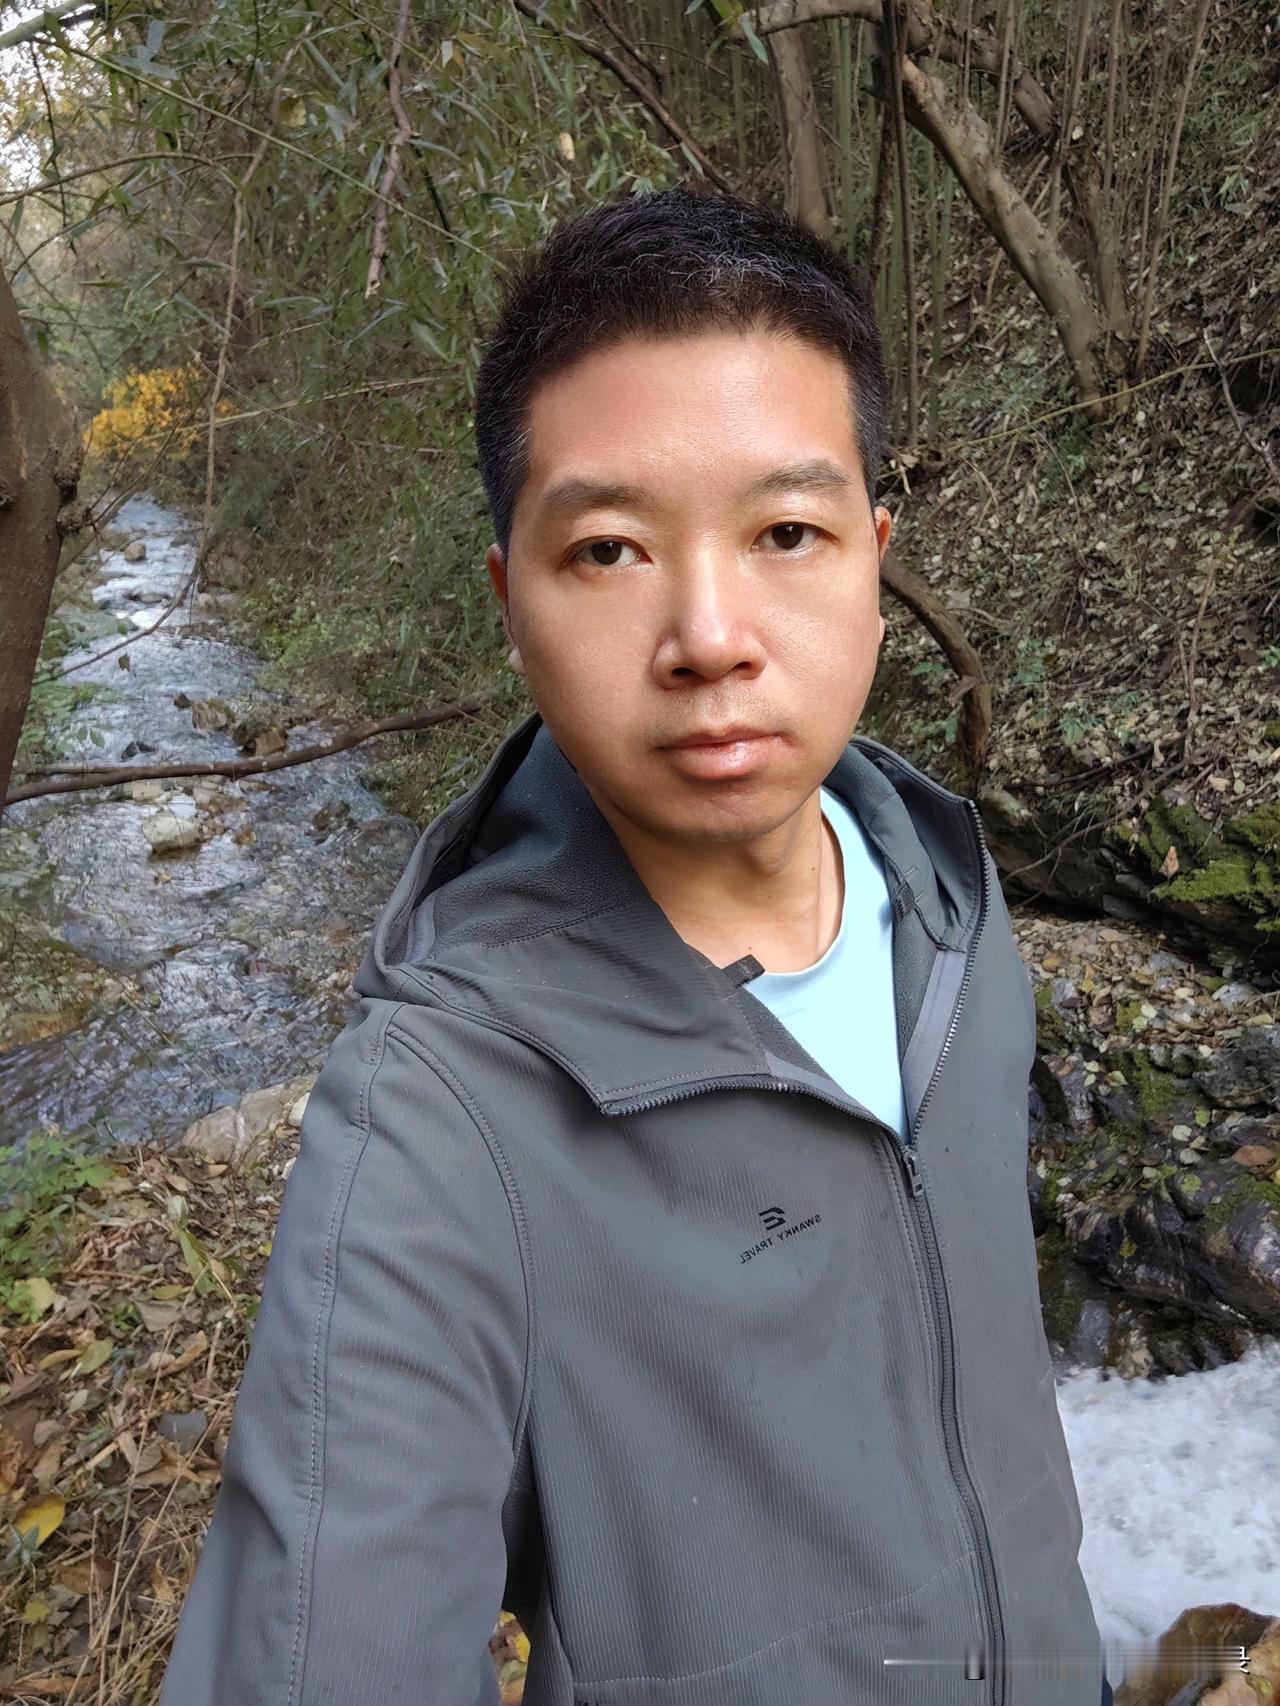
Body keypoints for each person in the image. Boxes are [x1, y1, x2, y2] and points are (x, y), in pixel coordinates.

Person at [159, 184, 1110, 1705]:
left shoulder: (950, 907)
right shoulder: (437, 1126)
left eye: (786, 532)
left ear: (874, 560)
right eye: (608, 551)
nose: (710, 634)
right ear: (510, 604)